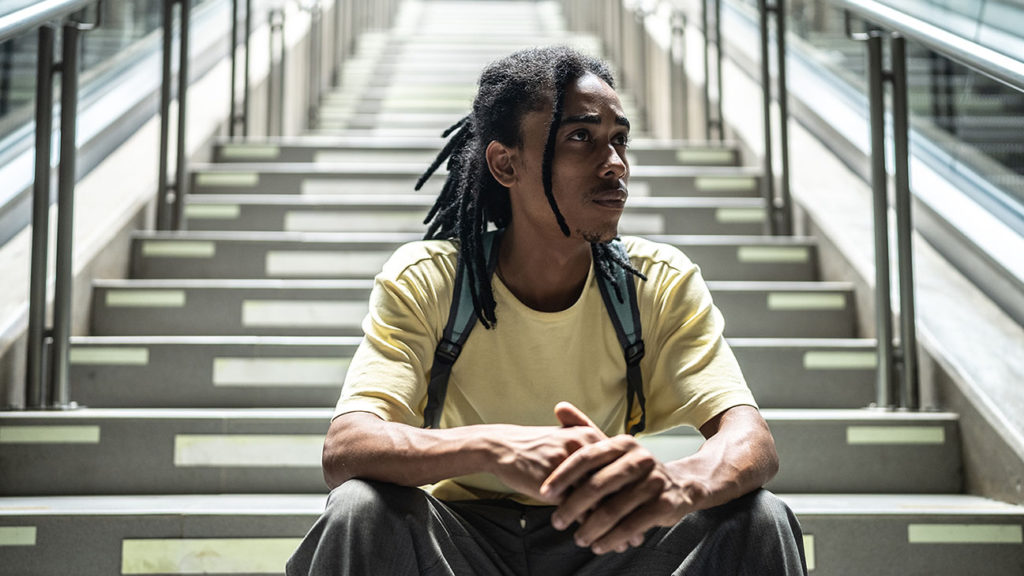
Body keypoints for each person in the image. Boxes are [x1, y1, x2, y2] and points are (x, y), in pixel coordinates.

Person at [287, 46, 807, 575]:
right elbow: (349, 444)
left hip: (609, 538)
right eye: (580, 137)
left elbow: (750, 439)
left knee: (758, 517)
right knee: (359, 510)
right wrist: (493, 447)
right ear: (505, 163)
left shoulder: (658, 280)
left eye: (620, 140)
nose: (615, 164)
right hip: (464, 541)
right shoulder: (431, 279)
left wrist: (680, 482)